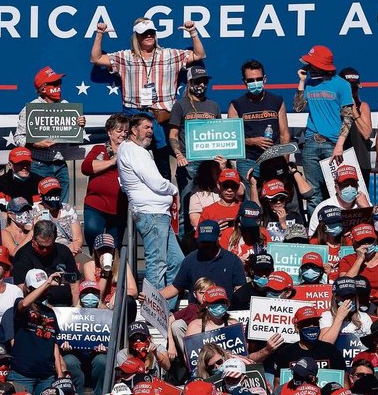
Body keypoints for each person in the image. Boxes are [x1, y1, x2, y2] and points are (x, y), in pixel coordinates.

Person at [90, 17, 206, 179]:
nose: (148, 36)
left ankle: (165, 201)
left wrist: (193, 32)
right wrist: (99, 34)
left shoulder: (169, 54)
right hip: (135, 119)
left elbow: (199, 54)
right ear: (136, 36)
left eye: (151, 32)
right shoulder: (125, 57)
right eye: (144, 33)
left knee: (163, 168)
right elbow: (96, 59)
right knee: (134, 167)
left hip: (162, 120)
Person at [117, 114, 181, 295]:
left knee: (177, 261)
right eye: (146, 127)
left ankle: (166, 308)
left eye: (151, 128)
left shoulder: (131, 150)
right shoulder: (134, 151)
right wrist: (173, 189)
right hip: (151, 215)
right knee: (157, 264)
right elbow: (156, 182)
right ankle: (152, 313)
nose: (150, 131)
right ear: (133, 130)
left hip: (158, 214)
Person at [293, 45, 354, 213]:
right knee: (313, 193)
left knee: (338, 190)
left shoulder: (342, 85)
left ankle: (337, 229)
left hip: (333, 144)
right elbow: (298, 107)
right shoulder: (309, 83)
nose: (308, 67)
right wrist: (301, 82)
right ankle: (316, 233)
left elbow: (348, 117)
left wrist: (340, 145)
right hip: (311, 142)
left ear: (320, 65)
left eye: (311, 64)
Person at [12, 67, 86, 202]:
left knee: (62, 204)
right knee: (41, 203)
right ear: (43, 88)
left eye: (59, 83)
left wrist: (80, 125)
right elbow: (18, 138)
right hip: (39, 165)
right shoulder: (30, 109)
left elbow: (76, 136)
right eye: (54, 83)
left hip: (60, 164)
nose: (58, 86)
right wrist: (35, 144)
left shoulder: (66, 105)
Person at [169, 66, 222, 235]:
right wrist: (179, 155)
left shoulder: (213, 105)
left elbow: (221, 132)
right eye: (198, 81)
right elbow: (173, 134)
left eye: (204, 81)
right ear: (189, 83)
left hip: (211, 163)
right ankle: (185, 251)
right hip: (189, 163)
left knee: (215, 202)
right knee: (185, 209)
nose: (201, 84)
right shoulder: (180, 105)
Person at [228, 60, 290, 184]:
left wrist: (285, 162)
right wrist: (253, 141)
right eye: (250, 80)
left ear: (265, 79)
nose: (255, 83)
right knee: (250, 200)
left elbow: (284, 135)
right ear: (244, 82)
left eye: (258, 79)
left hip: (274, 159)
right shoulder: (236, 105)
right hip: (248, 160)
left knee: (274, 198)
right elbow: (231, 139)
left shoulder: (277, 101)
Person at [5, 269, 65, 395]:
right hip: (22, 374)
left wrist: (59, 373)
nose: (43, 291)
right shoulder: (19, 305)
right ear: (28, 288)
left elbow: (54, 344)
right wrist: (47, 283)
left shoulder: (50, 312)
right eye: (39, 288)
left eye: (45, 287)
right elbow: (25, 303)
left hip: (46, 375)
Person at [160, 220, 246, 309]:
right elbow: (175, 288)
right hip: (197, 313)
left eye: (210, 241)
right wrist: (151, 296)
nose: (206, 245)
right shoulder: (190, 259)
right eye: (203, 241)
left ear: (219, 237)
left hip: (224, 311)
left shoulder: (232, 260)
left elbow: (241, 290)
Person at [82, 114, 129, 248]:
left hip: (119, 207)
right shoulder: (99, 149)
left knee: (114, 246)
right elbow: (86, 167)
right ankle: (96, 261)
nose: (123, 134)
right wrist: (112, 161)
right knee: (92, 231)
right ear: (109, 132)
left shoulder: (131, 151)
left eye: (125, 131)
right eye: (119, 131)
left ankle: (110, 268)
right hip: (96, 205)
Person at [11, 219, 79, 308]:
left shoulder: (64, 251)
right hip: (36, 306)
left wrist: (76, 307)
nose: (45, 250)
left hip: (64, 306)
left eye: (49, 247)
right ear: (33, 239)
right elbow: (21, 288)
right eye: (41, 247)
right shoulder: (22, 255)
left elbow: (74, 283)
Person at [308, 165, 370, 237]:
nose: (350, 188)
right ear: (336, 187)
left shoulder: (365, 204)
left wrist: (367, 209)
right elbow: (312, 237)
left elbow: (375, 238)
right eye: (345, 185)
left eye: (353, 184)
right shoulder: (323, 207)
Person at [31, 177, 84, 256]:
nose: (54, 197)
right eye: (50, 194)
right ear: (41, 196)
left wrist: (70, 251)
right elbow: (31, 240)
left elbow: (78, 239)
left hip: (70, 252)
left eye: (56, 192)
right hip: (44, 252)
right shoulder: (33, 211)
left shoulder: (68, 209)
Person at [338, 224, 378, 296]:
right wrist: (359, 259)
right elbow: (343, 286)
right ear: (354, 244)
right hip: (358, 300)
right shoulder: (347, 260)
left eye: (370, 240)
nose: (367, 244)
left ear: (375, 240)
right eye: (362, 241)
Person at [339, 67, 374, 184]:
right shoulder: (333, 107)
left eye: (354, 89)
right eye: (349, 89)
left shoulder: (362, 106)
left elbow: (366, 133)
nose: (352, 92)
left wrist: (353, 110)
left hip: (360, 164)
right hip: (338, 163)